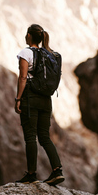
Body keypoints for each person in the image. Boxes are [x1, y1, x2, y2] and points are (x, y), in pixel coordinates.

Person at [14, 24, 65, 185]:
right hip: (46, 100)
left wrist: (18, 99)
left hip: (30, 98)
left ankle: (31, 174)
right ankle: (57, 171)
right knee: (44, 137)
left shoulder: (26, 53)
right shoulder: (49, 54)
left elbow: (22, 78)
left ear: (29, 36)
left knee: (30, 137)